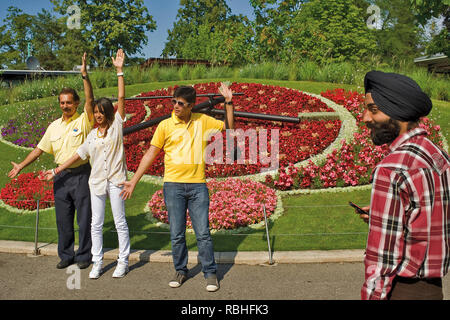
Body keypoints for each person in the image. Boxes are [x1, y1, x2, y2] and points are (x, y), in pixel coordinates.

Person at [120, 83, 235, 292]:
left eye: (180, 103)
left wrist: (228, 102)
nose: (175, 106)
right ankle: (180, 270)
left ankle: (210, 273)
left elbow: (228, 128)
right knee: (177, 234)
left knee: (203, 234)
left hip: (198, 186)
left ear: (191, 105)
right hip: (173, 186)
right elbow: (150, 154)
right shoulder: (165, 125)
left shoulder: (203, 121)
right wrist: (134, 180)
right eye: (174, 101)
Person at [356, 70, 450, 300]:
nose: (365, 118)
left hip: (401, 291)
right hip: (434, 290)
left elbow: (382, 258)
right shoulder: (438, 156)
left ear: (400, 112)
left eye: (373, 110)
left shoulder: (392, 169)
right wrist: (391, 215)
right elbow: (434, 213)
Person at [43, 49, 130, 279]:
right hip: (97, 183)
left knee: (120, 222)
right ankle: (97, 263)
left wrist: (119, 72)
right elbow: (76, 156)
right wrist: (56, 169)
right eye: (96, 113)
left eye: (102, 112)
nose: (98, 115)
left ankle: (123, 261)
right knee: (95, 224)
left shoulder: (117, 126)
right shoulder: (92, 135)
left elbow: (121, 99)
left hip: (117, 181)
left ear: (109, 113)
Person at [8, 53, 94, 270]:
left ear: (76, 103)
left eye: (69, 102)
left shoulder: (84, 120)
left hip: (82, 174)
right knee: (63, 219)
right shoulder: (53, 126)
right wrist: (20, 166)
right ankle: (66, 255)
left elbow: (90, 100)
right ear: (60, 104)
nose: (66, 106)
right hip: (61, 177)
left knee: (84, 219)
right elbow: (39, 149)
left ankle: (84, 255)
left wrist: (84, 76)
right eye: (62, 103)